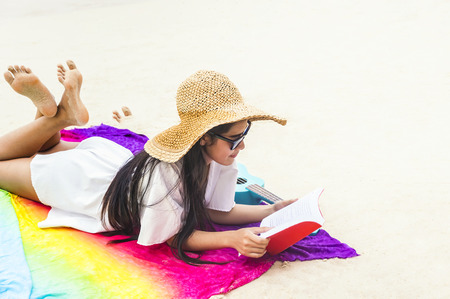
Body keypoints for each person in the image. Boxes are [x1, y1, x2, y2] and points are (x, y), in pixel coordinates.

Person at [0, 61, 294, 264]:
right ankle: (59, 117)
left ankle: (53, 117)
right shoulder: (168, 174)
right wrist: (231, 239)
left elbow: (215, 209)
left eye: (244, 133)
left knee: (46, 146)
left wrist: (269, 210)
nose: (241, 145)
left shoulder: (218, 158)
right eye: (233, 138)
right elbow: (175, 237)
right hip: (84, 182)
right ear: (203, 138)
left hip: (108, 167)